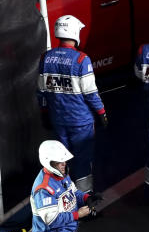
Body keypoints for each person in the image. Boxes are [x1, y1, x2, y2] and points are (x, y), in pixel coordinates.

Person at [37, 14, 106, 192]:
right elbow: (91, 93)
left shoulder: (46, 57)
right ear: (75, 33)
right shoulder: (81, 60)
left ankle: (63, 197)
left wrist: (44, 113)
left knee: (61, 160)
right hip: (80, 121)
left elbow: (41, 91)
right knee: (82, 160)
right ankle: (85, 203)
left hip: (58, 119)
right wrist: (101, 113)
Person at [30, 141, 92, 232]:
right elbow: (52, 220)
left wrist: (87, 198)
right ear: (50, 163)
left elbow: (73, 193)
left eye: (64, 161)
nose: (64, 164)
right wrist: (78, 214)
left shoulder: (62, 174)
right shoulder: (43, 188)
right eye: (60, 162)